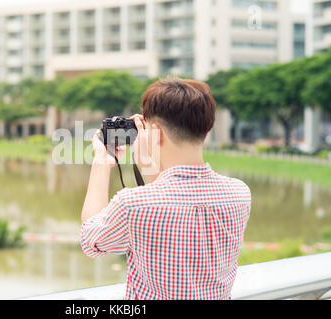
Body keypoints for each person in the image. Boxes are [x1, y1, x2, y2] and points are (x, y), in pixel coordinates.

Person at [80, 76, 251, 300]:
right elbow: (178, 197)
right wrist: (145, 161)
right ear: (207, 130)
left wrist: (102, 162)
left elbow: (91, 240)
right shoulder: (239, 194)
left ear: (157, 133)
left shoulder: (132, 204)